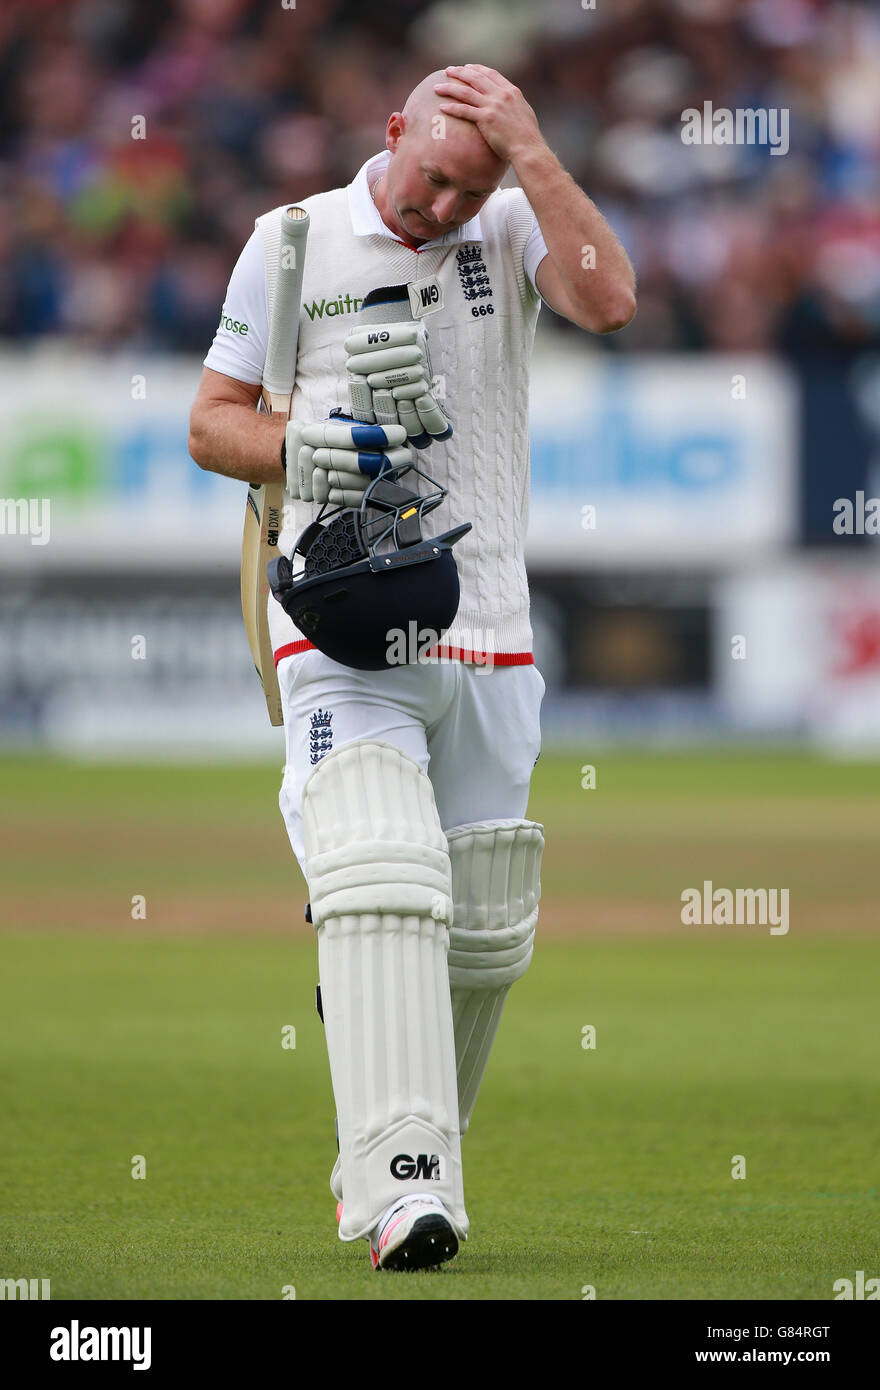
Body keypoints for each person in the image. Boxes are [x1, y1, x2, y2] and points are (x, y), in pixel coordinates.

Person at [188, 62, 636, 1272]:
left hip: (489, 620)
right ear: (393, 132)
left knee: (481, 930)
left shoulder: (506, 217)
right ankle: (406, 1191)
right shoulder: (290, 244)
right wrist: (306, 444)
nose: (444, 207)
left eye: (470, 186)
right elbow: (209, 421)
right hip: (342, 614)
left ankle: (389, 1150)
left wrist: (530, 160)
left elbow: (608, 302)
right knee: (384, 873)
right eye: (434, 177)